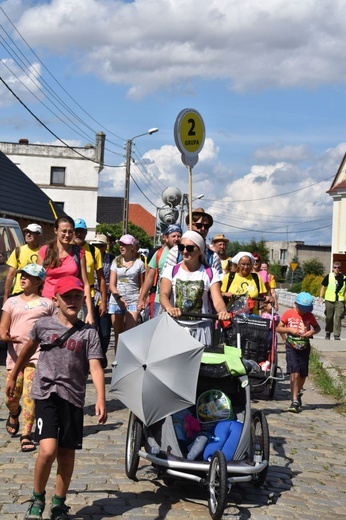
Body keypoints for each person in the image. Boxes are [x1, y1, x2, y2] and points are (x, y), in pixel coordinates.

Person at [6, 276, 107, 520]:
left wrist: (101, 398)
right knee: (48, 450)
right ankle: (38, 497)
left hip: (73, 397)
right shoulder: (44, 326)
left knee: (66, 453)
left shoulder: (89, 334)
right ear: (56, 299)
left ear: (83, 299)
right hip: (46, 392)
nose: (72, 301)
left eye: (76, 296)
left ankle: (59, 503)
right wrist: (14, 374)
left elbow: (95, 367)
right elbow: (28, 348)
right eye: (66, 296)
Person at [0, 264, 55, 452]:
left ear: (39, 281)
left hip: (37, 355)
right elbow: (3, 326)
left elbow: (54, 327)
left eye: (28, 276)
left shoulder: (47, 304)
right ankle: (14, 412)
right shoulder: (12, 302)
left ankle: (26, 434)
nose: (23, 278)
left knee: (30, 394)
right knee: (11, 396)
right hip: (14, 355)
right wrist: (4, 336)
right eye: (22, 275)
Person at [160, 230, 230, 346]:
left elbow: (217, 299)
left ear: (200, 250)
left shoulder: (210, 273)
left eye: (190, 248)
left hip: (201, 328)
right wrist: (169, 308)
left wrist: (222, 311)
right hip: (176, 325)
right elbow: (163, 295)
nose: (185, 251)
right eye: (182, 247)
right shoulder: (171, 271)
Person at [36, 216, 94, 325]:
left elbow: (85, 283)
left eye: (70, 232)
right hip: (47, 303)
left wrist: (90, 312)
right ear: (55, 230)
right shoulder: (45, 251)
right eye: (63, 231)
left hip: (70, 305)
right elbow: (36, 280)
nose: (67, 235)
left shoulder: (78, 252)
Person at [276, 292, 320, 413]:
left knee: (303, 373)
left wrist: (312, 332)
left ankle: (298, 392)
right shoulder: (289, 313)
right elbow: (278, 328)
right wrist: (290, 329)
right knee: (294, 372)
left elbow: (317, 328)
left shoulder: (309, 316)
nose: (303, 312)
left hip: (304, 346)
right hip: (291, 345)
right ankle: (294, 400)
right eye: (302, 309)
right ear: (296, 304)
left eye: (306, 310)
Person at [108, 234, 146, 357]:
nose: (121, 246)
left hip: (133, 300)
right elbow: (112, 285)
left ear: (132, 247)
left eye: (124, 244)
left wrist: (141, 301)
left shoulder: (139, 263)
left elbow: (142, 285)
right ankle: (117, 359)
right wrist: (119, 297)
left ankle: (127, 358)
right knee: (118, 332)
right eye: (120, 244)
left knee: (129, 332)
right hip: (116, 300)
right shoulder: (116, 261)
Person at [138, 224, 182, 318]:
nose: (177, 239)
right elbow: (149, 277)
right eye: (173, 236)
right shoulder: (159, 254)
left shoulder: (184, 254)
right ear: (166, 238)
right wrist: (142, 298)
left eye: (179, 236)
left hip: (178, 301)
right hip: (160, 299)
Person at [163, 208, 222, 275]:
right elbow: (166, 279)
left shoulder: (213, 257)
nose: (203, 229)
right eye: (198, 225)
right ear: (189, 225)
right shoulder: (176, 252)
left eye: (206, 226)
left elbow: (218, 281)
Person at [72, 218, 107, 322]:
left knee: (87, 327)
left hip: (88, 296)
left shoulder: (94, 251)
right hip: (69, 295)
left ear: (86, 233)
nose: (78, 234)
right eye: (76, 231)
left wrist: (104, 302)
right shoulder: (66, 249)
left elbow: (101, 279)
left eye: (81, 231)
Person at [90, 233, 115, 368]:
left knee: (105, 332)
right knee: (91, 329)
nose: (98, 247)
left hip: (106, 297)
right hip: (91, 296)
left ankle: (102, 353)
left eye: (101, 245)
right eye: (96, 245)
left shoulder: (112, 259)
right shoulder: (89, 256)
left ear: (106, 246)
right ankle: (93, 358)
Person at [3, 223, 43, 303]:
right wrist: (5, 297)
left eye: (32, 232)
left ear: (39, 236)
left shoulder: (44, 252)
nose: (28, 234)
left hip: (36, 294)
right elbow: (10, 275)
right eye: (26, 232)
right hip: (18, 292)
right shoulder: (18, 251)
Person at [319, 261, 346, 340]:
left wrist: (345, 302)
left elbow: (345, 291)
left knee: (338, 317)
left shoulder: (344, 278)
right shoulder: (329, 276)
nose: (336, 269)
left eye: (338, 268)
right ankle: (328, 332)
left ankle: (336, 335)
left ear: (340, 268)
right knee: (329, 317)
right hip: (329, 300)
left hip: (340, 300)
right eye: (335, 267)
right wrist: (320, 297)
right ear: (333, 268)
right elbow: (323, 287)